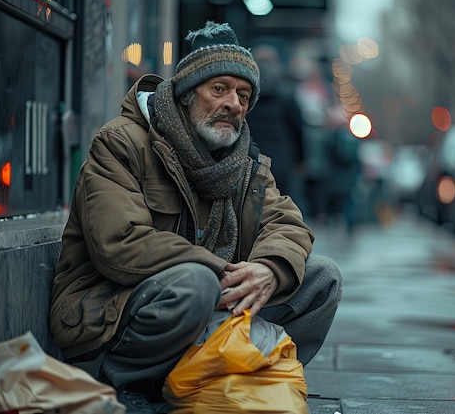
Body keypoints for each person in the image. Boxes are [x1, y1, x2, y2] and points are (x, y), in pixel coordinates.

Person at [49, 20, 342, 413]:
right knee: (197, 283)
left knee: (322, 278)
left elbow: (287, 222)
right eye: (218, 89)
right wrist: (223, 272)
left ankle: (234, 374)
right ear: (187, 94)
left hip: (208, 302)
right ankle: (126, 381)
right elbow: (118, 242)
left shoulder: (247, 162)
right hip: (111, 311)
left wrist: (268, 270)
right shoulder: (122, 142)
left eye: (243, 94)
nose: (233, 104)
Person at [246, 44, 305, 203]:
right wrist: (301, 159)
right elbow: (298, 128)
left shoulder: (246, 91)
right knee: (281, 203)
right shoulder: (286, 90)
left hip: (252, 155)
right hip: (282, 158)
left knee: (253, 204)